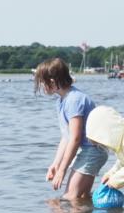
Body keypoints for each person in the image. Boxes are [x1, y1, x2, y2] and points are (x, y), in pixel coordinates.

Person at [33, 58, 106, 202]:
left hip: (92, 150)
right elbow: (66, 137)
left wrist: (62, 171)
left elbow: (76, 138)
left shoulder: (74, 100)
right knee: (81, 198)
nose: (41, 86)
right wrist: (56, 164)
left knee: (69, 198)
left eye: (42, 82)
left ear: (52, 82)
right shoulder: (62, 101)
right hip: (87, 151)